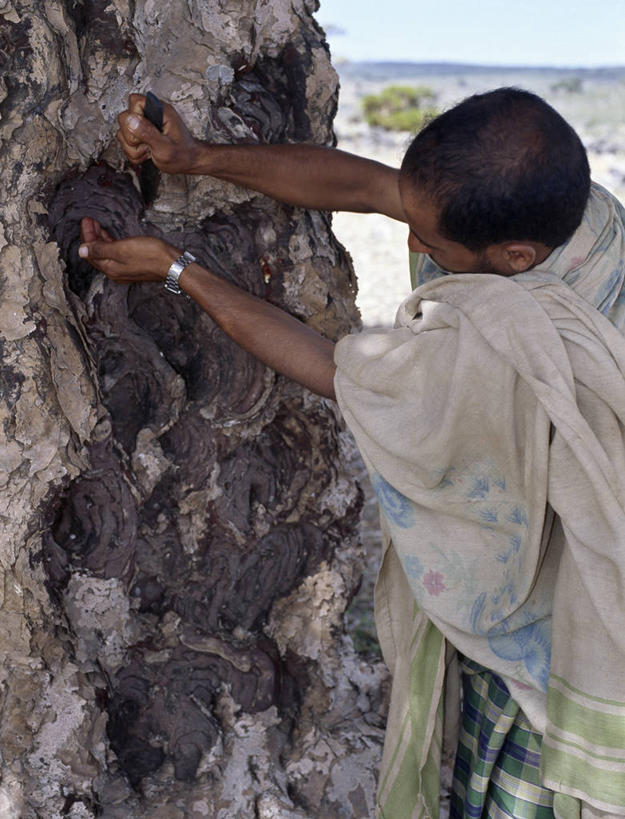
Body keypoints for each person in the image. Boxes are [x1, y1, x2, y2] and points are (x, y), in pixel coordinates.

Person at [79, 88, 625, 818]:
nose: (411, 243)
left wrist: (179, 271)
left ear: (513, 256)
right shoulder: (582, 220)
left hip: (565, 632)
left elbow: (335, 369)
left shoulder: (501, 351)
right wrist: (197, 159)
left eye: (430, 242)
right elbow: (367, 185)